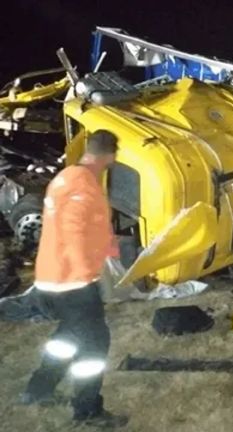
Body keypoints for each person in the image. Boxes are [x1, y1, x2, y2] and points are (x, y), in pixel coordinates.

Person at [20, 130, 127, 428]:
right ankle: (88, 411)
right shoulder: (84, 186)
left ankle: (37, 390)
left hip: (50, 277)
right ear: (109, 155)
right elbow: (73, 229)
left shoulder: (65, 178)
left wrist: (109, 246)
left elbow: (85, 224)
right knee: (95, 345)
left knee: (68, 336)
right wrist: (86, 273)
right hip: (73, 282)